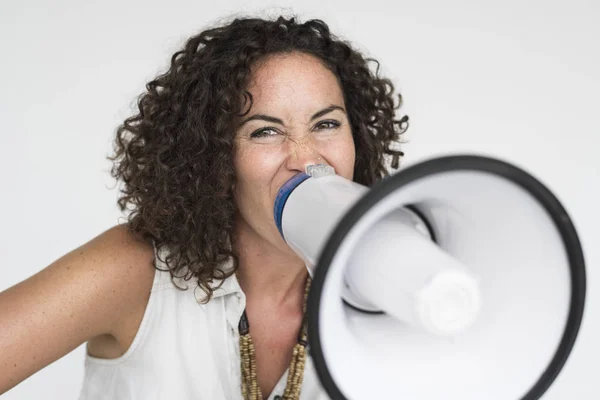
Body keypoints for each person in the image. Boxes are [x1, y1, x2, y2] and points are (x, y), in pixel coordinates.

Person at [0, 14, 408, 400]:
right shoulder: (135, 272)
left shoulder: (387, 282)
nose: (306, 159)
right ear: (213, 156)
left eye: (326, 124)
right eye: (265, 131)